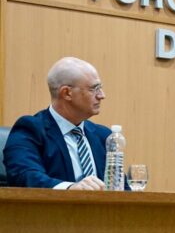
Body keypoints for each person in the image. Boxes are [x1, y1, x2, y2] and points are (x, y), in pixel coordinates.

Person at [3, 57, 109, 190]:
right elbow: (25, 176)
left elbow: (121, 188)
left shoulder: (104, 136)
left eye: (100, 88)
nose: (101, 95)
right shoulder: (30, 130)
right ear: (67, 93)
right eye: (94, 89)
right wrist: (71, 189)